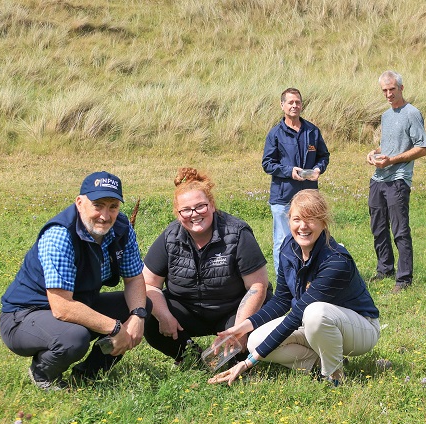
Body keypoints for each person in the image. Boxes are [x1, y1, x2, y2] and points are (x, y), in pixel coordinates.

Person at [208, 190, 380, 386]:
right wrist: (240, 329)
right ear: (289, 220)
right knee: (255, 340)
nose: (303, 226)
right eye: (297, 219)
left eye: (311, 219)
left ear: (323, 223)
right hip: (315, 324)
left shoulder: (336, 261)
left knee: (315, 312)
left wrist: (248, 362)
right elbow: (281, 300)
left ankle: (334, 377)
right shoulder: (289, 248)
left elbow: (296, 315)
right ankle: (317, 362)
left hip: (360, 329)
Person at [0, 171, 150, 389]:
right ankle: (43, 373)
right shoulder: (60, 234)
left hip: (79, 303)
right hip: (24, 316)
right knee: (74, 337)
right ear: (80, 203)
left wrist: (137, 316)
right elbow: (62, 308)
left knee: (142, 306)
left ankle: (88, 376)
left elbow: (135, 279)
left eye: (113, 207)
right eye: (98, 205)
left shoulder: (121, 228)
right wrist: (116, 328)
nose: (105, 216)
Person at [141, 167, 270, 363]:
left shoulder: (237, 233)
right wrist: (164, 315)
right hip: (188, 310)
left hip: (232, 308)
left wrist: (241, 329)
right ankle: (190, 357)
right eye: (185, 210)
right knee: (150, 316)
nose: (194, 214)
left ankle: (235, 355)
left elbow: (257, 286)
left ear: (212, 205)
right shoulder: (170, 237)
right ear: (177, 213)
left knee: (252, 333)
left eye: (200, 206)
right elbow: (149, 283)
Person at [366, 70, 426, 292]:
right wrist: (374, 153)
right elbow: (389, 146)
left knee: (400, 229)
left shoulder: (412, 113)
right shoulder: (385, 115)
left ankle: (404, 279)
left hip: (398, 179)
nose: (388, 94)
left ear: (401, 88)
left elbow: (421, 148)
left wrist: (392, 160)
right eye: (384, 90)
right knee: (378, 227)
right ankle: (385, 269)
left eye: (392, 89)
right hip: (378, 178)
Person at [261, 88, 330, 254]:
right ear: (282, 105)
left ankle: (309, 277)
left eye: (297, 102)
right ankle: (284, 280)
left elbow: (324, 156)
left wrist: (318, 168)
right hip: (283, 198)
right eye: (290, 102)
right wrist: (289, 171)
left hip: (309, 197)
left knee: (310, 239)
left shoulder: (312, 131)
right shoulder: (275, 134)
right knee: (283, 242)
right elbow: (267, 163)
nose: (294, 105)